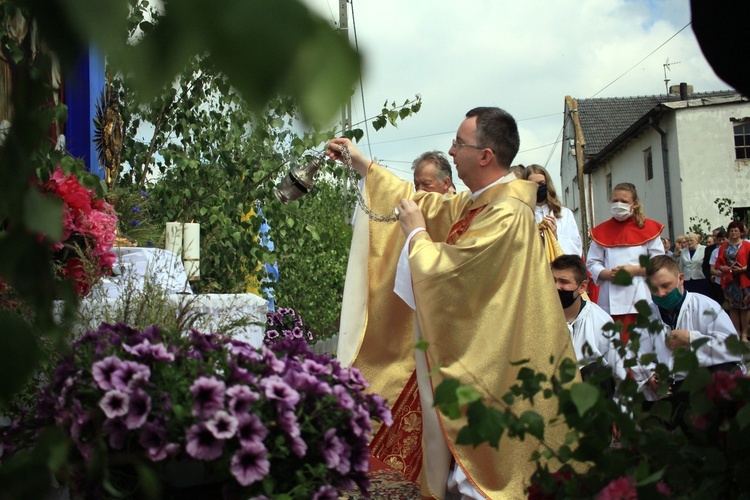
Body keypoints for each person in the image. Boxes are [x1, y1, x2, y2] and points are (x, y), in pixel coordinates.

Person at [328, 107, 576, 499]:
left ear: (485, 156)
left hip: (491, 362)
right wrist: (364, 166)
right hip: (478, 351)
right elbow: (423, 204)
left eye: (459, 143)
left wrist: (416, 238)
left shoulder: (506, 213)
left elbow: (453, 278)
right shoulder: (479, 202)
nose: (452, 148)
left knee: (479, 473)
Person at [633, 256, 744, 417]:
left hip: (702, 379)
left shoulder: (706, 306)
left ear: (681, 279)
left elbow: (732, 348)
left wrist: (691, 339)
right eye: (654, 289)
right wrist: (649, 374)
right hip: (669, 384)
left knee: (728, 372)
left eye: (666, 286)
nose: (661, 294)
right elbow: (636, 354)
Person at [586, 182, 665, 342]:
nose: (618, 205)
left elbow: (659, 262)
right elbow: (592, 262)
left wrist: (634, 270)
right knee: (613, 343)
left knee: (640, 342)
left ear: (634, 204)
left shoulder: (648, 228)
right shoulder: (601, 231)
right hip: (610, 295)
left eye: (623, 201)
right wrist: (607, 274)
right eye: (615, 200)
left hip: (640, 293)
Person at [551, 255, 626, 397]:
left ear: (582, 287)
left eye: (564, 282)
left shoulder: (602, 323)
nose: (556, 287)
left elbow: (618, 374)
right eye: (552, 280)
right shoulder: (537, 318)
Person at [522, 164, 583, 257]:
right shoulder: (521, 215)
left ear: (547, 184)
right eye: (533, 185)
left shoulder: (564, 214)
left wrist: (555, 237)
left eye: (541, 183)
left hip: (559, 267)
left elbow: (576, 249)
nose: (538, 188)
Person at [713, 221, 750, 341]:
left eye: (736, 230)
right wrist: (722, 267)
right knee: (733, 307)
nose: (734, 232)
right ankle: (736, 333)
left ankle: (744, 334)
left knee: (745, 307)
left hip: (743, 280)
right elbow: (718, 262)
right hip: (729, 281)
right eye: (732, 230)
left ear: (741, 232)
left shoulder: (747, 245)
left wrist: (743, 269)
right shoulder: (724, 246)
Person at [706, 229, 729, 305]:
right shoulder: (715, 251)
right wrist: (722, 275)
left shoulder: (732, 250)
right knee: (722, 303)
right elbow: (712, 269)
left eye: (723, 239)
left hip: (731, 281)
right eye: (720, 240)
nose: (722, 242)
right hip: (719, 281)